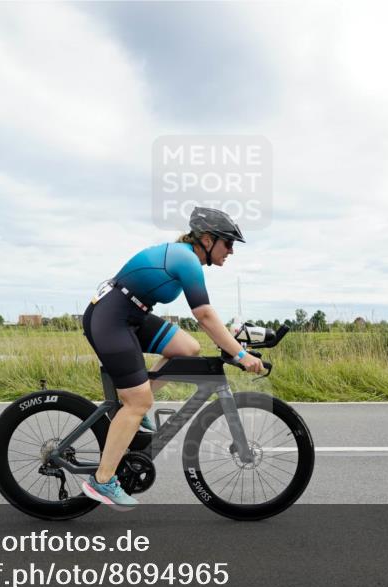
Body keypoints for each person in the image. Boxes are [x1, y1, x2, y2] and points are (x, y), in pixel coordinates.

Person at [81, 207, 265, 510]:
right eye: (228, 243)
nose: (231, 251)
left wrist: (235, 346)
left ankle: (134, 413)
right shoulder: (187, 260)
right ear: (207, 239)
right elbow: (204, 315)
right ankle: (102, 480)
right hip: (111, 318)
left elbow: (205, 320)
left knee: (187, 348)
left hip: (131, 314)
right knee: (137, 401)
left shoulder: (186, 258)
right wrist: (240, 354)